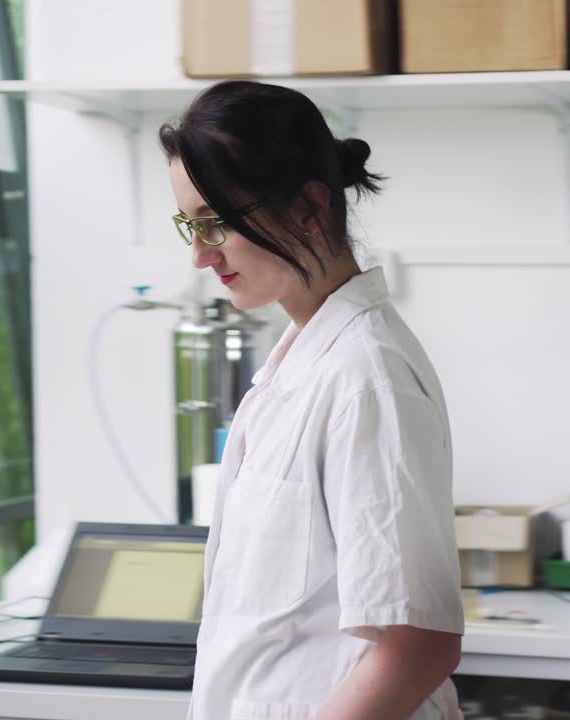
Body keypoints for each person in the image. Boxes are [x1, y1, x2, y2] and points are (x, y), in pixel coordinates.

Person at [160, 80, 464, 720]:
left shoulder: (365, 377)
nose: (199, 255)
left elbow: (417, 645)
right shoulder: (297, 366)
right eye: (191, 223)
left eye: (215, 223)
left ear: (307, 208)